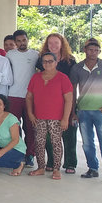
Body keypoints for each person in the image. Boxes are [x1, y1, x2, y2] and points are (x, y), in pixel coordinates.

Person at [70, 38, 102, 186]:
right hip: (83, 110)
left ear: (99, 51)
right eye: (90, 50)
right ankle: (92, 168)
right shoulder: (77, 68)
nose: (93, 53)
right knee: (87, 143)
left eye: (96, 50)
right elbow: (73, 91)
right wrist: (74, 111)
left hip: (100, 111)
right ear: (85, 50)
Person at [25, 52, 72, 180]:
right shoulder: (36, 77)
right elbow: (29, 97)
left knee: (56, 142)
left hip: (56, 117)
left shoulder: (63, 78)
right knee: (39, 142)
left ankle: (56, 169)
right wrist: (30, 113)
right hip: (39, 117)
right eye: (44, 61)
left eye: (50, 61)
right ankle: (40, 167)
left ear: (56, 63)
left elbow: (69, 100)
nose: (47, 64)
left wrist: (65, 118)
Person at [38, 32, 78, 174]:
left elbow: (73, 86)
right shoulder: (42, 60)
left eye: (56, 42)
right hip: (49, 104)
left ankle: (70, 163)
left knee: (68, 134)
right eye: (50, 43)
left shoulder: (70, 61)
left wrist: (72, 110)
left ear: (62, 44)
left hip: (67, 101)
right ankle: (51, 161)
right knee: (49, 136)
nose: (53, 45)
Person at [6, 29, 39, 164]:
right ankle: (17, 153)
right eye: (18, 41)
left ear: (28, 40)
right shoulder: (10, 54)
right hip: (13, 94)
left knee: (30, 127)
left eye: (24, 40)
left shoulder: (36, 54)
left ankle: (30, 154)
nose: (22, 43)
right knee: (14, 127)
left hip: (31, 96)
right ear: (15, 43)